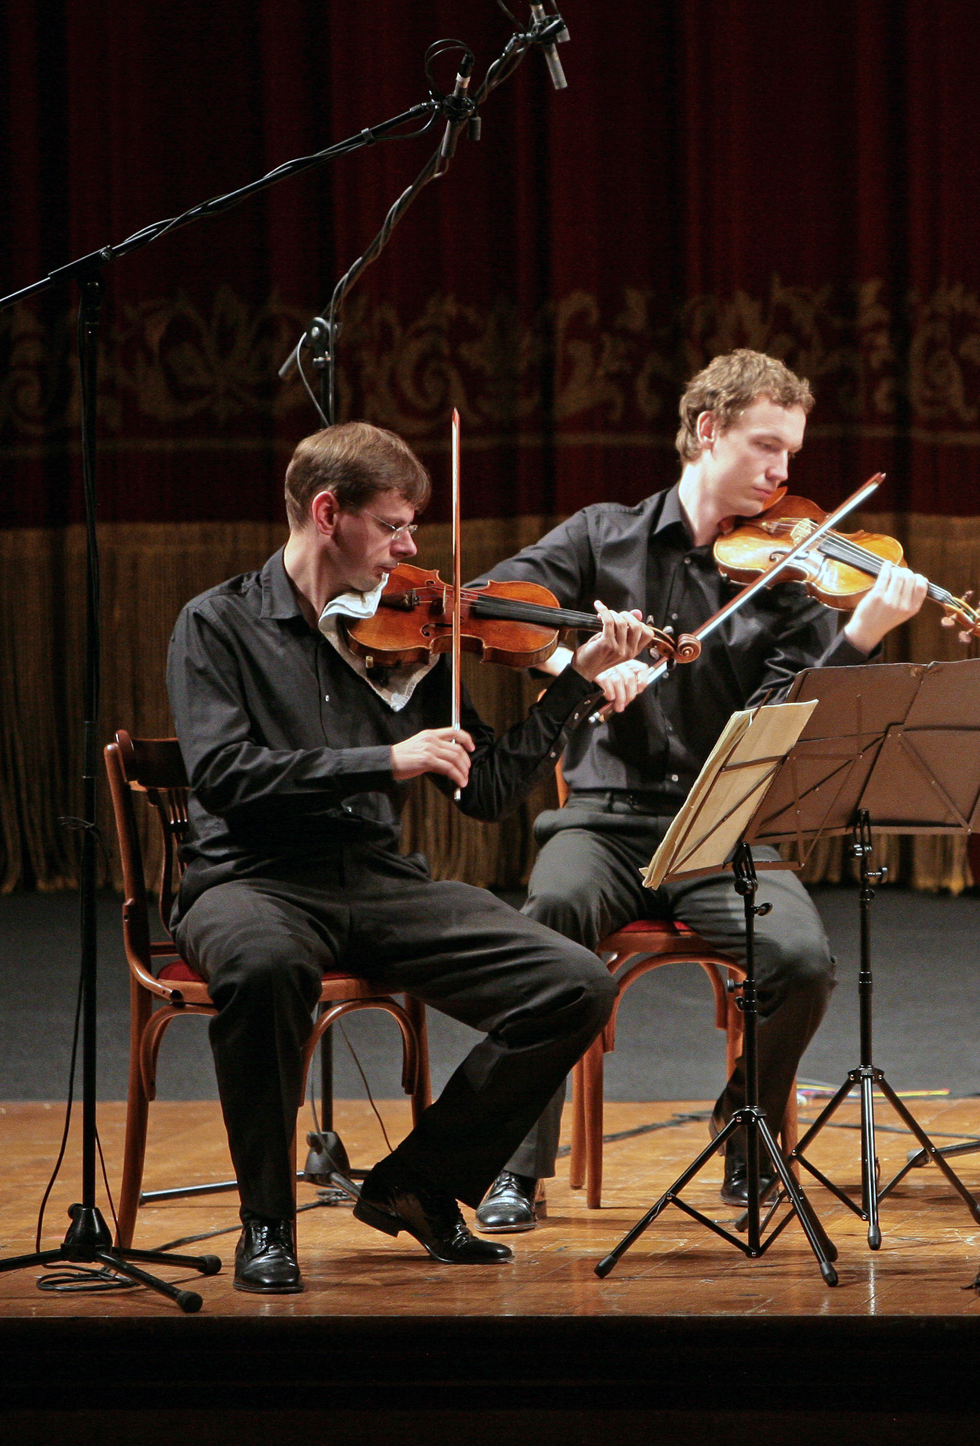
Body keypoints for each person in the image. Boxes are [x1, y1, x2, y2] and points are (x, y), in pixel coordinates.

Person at [168, 421, 649, 1294]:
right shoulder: (219, 624)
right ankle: (265, 1222)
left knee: (575, 982)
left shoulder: (405, 636)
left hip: (375, 882)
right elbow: (225, 774)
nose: (410, 546)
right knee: (268, 965)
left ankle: (420, 1186)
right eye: (393, 525)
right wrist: (385, 759)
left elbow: (488, 788)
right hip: (249, 879)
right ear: (327, 513)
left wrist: (577, 679)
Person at [468, 349, 928, 1228]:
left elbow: (790, 717)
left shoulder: (788, 579)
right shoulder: (604, 536)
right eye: (763, 446)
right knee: (550, 918)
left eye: (788, 452)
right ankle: (512, 1161)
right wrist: (577, 664)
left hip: (722, 824)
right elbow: (495, 601)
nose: (781, 472)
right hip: (604, 821)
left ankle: (747, 1132)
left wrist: (860, 634)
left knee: (800, 961)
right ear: (706, 431)